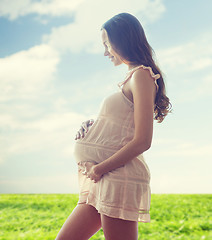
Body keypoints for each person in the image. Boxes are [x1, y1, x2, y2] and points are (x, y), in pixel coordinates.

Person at [55, 12, 171, 240]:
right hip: (106, 178)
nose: (105, 52)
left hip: (116, 176)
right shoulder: (132, 78)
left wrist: (99, 169)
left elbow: (143, 140)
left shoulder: (142, 76)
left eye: (107, 44)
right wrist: (94, 125)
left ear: (123, 40)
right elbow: (123, 125)